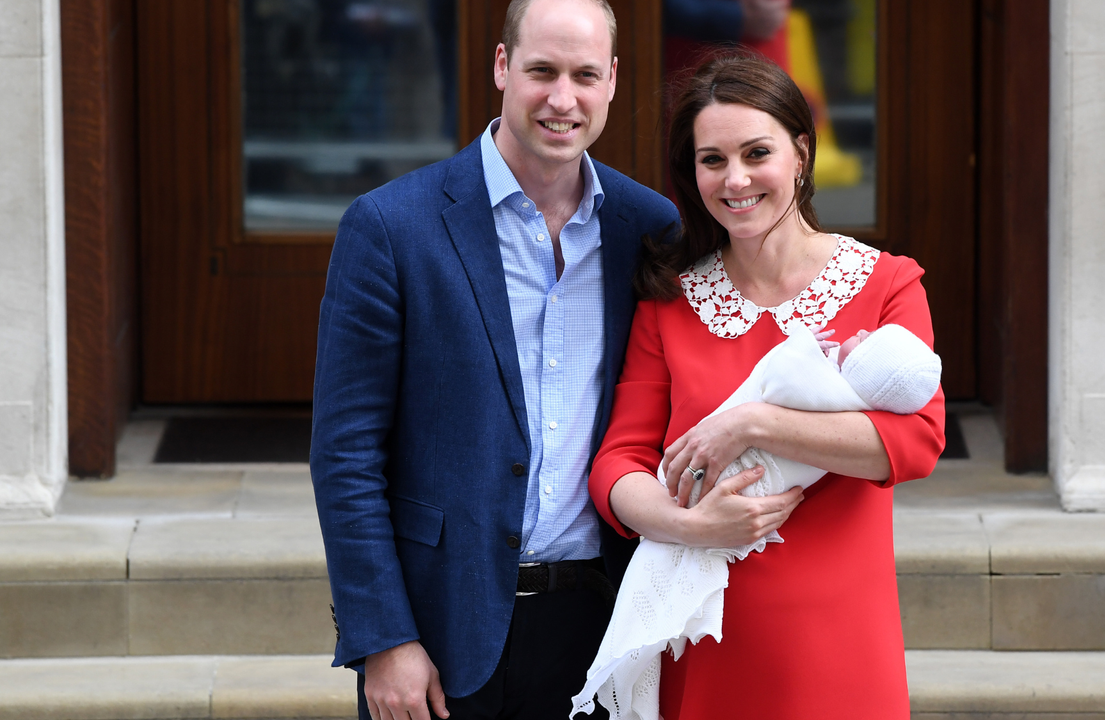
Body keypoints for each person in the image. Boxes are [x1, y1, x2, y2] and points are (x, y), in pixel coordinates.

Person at [309, 0, 679, 718]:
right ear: (503, 67)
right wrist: (383, 637)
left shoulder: (650, 228)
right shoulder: (390, 227)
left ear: (612, 81)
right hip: (442, 637)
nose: (562, 99)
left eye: (583, 75)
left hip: (605, 628)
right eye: (541, 70)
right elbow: (346, 454)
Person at [587, 53, 946, 718]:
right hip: (704, 642)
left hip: (840, 645)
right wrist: (685, 524)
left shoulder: (887, 284)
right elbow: (617, 464)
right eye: (712, 160)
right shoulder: (669, 301)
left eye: (757, 152)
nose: (737, 178)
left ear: (801, 154)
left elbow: (918, 442)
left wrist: (755, 424)